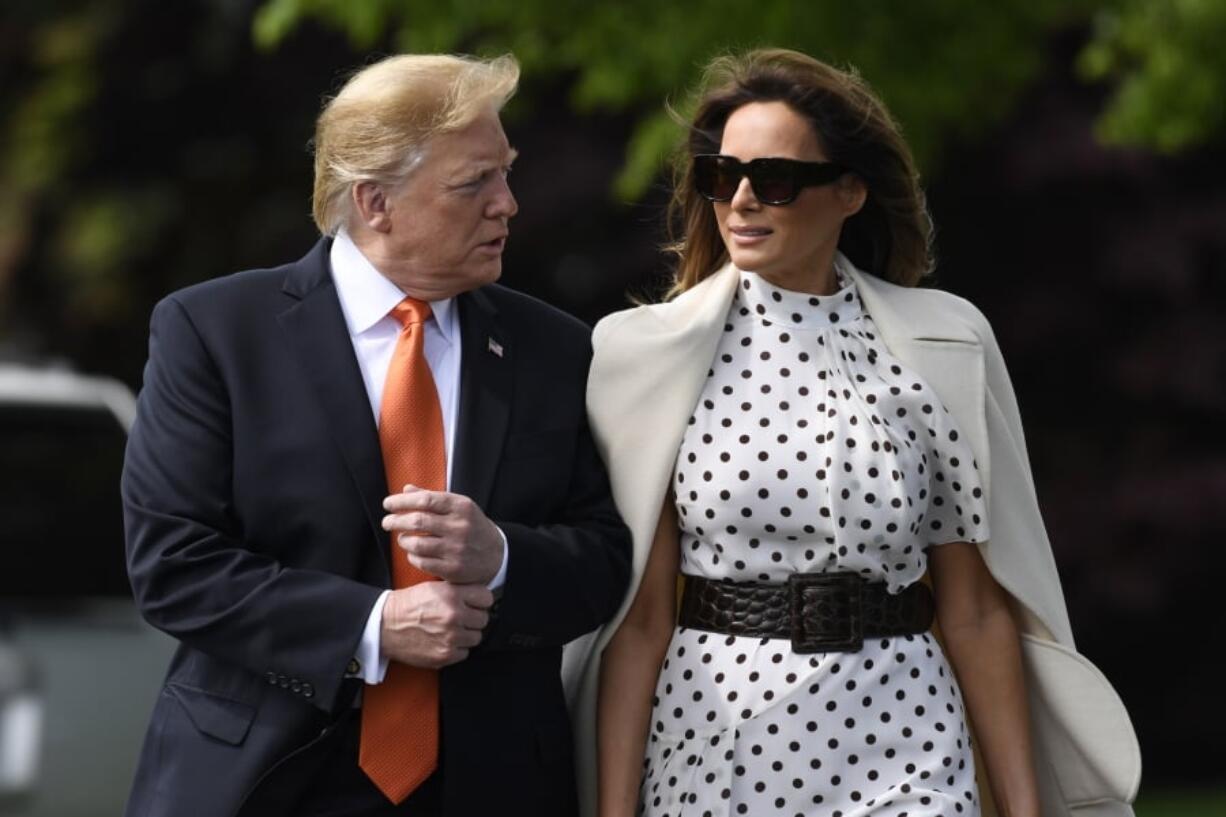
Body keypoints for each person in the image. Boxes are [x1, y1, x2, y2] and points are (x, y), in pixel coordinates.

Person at [565, 49, 1140, 817]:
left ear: (849, 193)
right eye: (720, 174)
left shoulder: (944, 343)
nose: (739, 199)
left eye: (773, 179)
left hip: (907, 731)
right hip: (717, 742)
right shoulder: (647, 354)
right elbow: (639, 624)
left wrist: (1025, 808)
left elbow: (972, 610)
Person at [122, 53, 631, 817]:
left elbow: (603, 559)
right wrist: (375, 625)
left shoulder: (554, 348)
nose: (508, 205)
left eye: (508, 173)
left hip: (492, 783)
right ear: (375, 202)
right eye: (475, 183)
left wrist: (500, 559)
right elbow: (174, 562)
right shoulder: (215, 331)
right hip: (262, 781)